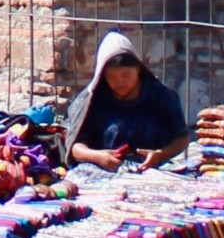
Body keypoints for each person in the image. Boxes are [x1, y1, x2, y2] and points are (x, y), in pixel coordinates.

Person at [64, 32, 188, 171]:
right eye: (112, 77)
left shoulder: (160, 96)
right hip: (101, 170)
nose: (119, 82)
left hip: (152, 170)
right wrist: (97, 156)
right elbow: (75, 146)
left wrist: (159, 155)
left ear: (137, 69)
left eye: (125, 75)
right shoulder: (93, 101)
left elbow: (181, 138)